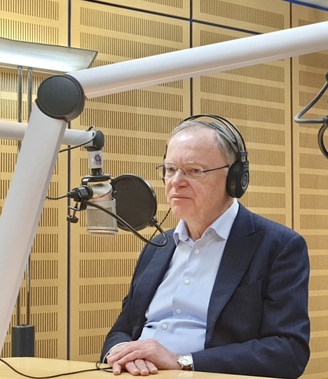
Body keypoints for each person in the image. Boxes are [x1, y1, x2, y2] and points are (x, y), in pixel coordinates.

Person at [100, 115, 310, 378]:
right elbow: (123, 328)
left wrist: (182, 361)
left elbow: (288, 351)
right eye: (170, 169)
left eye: (194, 170)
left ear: (235, 178)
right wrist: (122, 353)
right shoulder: (156, 246)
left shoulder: (279, 246)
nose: (176, 181)